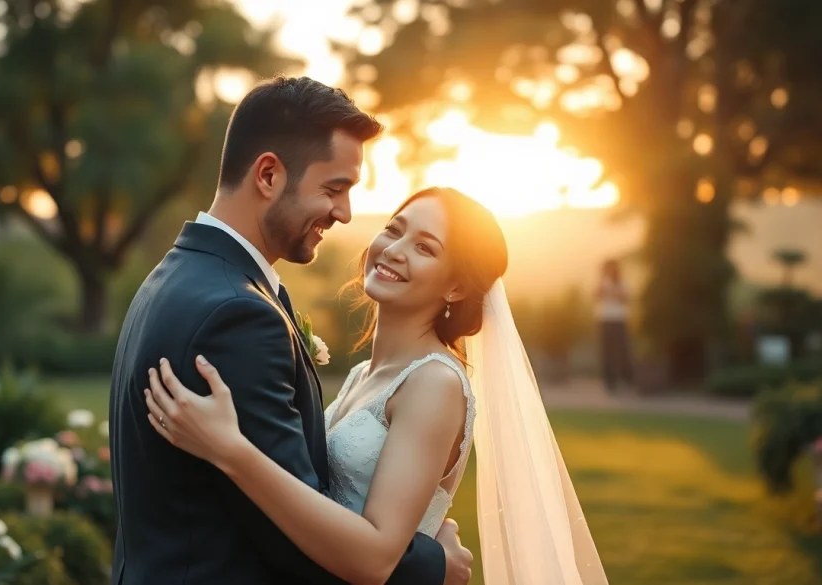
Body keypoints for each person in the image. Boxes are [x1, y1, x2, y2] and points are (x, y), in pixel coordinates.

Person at [146, 187, 612, 585]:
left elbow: (375, 558)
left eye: (425, 247)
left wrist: (231, 450)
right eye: (394, 228)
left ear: (455, 289)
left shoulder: (435, 384)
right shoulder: (362, 375)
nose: (394, 248)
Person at [108, 77, 471, 585]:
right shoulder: (237, 314)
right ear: (269, 175)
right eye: (333, 189)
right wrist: (433, 564)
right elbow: (289, 541)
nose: (344, 213)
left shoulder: (177, 275)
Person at [595, 259, 633, 392]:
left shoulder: (622, 283)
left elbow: (625, 298)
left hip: (619, 320)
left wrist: (612, 292)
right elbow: (597, 295)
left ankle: (627, 378)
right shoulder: (602, 282)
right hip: (605, 320)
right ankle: (609, 382)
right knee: (607, 352)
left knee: (622, 350)